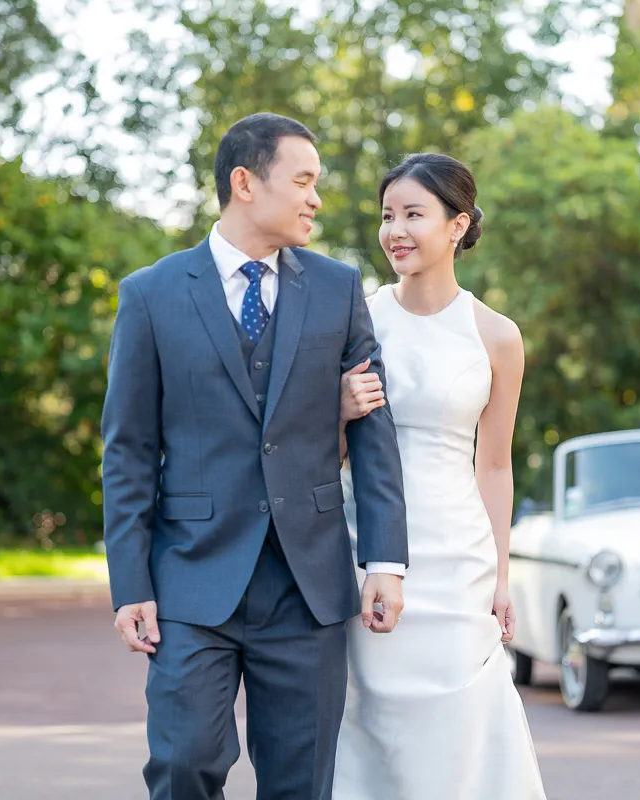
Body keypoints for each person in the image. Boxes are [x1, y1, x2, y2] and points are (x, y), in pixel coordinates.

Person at [100, 112, 409, 800]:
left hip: (308, 584)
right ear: (245, 182)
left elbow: (372, 431)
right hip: (189, 577)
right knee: (183, 762)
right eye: (302, 181)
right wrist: (130, 584)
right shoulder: (150, 296)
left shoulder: (336, 287)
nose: (315, 199)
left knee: (300, 783)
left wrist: (384, 559)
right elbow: (127, 450)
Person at [333, 153, 547, 799]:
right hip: (362, 547)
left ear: (457, 225)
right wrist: (338, 413)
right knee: (368, 719)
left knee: (457, 724)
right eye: (387, 215)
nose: (395, 230)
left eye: (412, 215)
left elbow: (494, 462)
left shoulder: (496, 336)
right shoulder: (354, 321)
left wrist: (501, 575)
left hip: (458, 559)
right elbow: (318, 453)